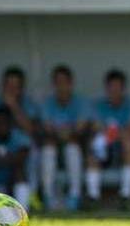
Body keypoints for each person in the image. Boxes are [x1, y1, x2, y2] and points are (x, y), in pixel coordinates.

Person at [0, 66, 42, 204]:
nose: (11, 90)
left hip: (19, 147)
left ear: (21, 88)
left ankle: (31, 198)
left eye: (16, 86)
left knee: (33, 151)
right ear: (2, 86)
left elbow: (31, 130)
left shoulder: (28, 104)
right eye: (8, 85)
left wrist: (13, 106)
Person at [87, 69, 130, 209]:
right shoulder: (98, 106)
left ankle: (126, 196)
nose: (114, 91)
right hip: (106, 152)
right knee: (94, 144)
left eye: (117, 88)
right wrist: (112, 135)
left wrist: (112, 134)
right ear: (106, 88)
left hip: (125, 151)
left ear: (123, 89)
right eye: (111, 88)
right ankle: (93, 198)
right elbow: (96, 128)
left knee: (128, 141)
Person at [39, 65, 91, 211]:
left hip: (76, 148)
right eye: (58, 82)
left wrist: (63, 133)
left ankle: (75, 196)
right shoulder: (48, 103)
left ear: (70, 83)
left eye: (64, 82)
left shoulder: (81, 102)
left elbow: (80, 129)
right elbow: (47, 128)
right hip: (54, 147)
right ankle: (48, 196)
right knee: (48, 147)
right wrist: (64, 132)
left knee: (72, 146)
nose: (61, 86)